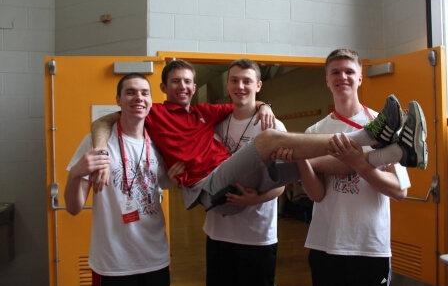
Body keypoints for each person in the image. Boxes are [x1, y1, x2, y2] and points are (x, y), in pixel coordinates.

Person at [91, 58, 427, 217]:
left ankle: (395, 153)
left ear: (194, 87)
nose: (182, 87)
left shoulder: (205, 111)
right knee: (265, 142)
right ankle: (367, 136)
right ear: (163, 88)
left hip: (235, 180)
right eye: (175, 82)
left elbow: (247, 100)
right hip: (207, 189)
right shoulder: (152, 111)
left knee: (320, 164)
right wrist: (99, 150)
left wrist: (266, 103)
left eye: (187, 82)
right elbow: (105, 120)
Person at [288, 48, 421, 286]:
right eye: (335, 72)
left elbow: (399, 190)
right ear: (327, 80)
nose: (343, 77)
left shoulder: (385, 124)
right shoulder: (314, 131)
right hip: (324, 244)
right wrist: (299, 156)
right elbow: (316, 194)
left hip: (368, 247)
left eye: (350, 72)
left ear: (360, 78)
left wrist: (359, 164)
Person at [64, 73, 180, 286]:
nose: (138, 97)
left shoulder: (158, 141)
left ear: (151, 100)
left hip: (155, 258)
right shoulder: (97, 143)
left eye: (144, 93)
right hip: (113, 263)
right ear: (118, 99)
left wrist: (179, 176)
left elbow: (167, 182)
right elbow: (73, 207)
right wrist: (76, 173)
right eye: (130, 92)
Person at [203, 59, 286, 286]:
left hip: (257, 234)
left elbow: (281, 183)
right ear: (228, 85)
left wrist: (256, 199)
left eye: (247, 81)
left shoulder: (272, 126)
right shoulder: (215, 124)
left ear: (258, 85)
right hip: (218, 232)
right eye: (235, 80)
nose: (241, 86)